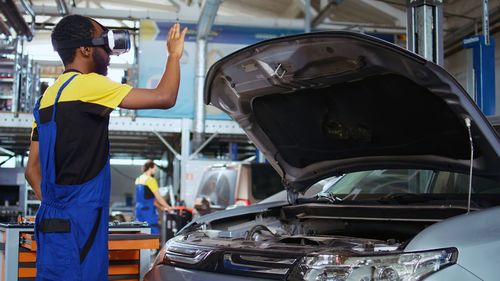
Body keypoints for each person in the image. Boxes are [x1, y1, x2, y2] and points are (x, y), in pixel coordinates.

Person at [24, 14, 187, 281]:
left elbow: (32, 170)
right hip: (82, 223)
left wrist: (59, 205)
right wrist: (174, 56)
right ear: (85, 49)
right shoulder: (91, 85)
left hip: (50, 220)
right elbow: (165, 96)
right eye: (104, 43)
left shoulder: (45, 99)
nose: (110, 53)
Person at [135, 160, 173, 234]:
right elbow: (158, 197)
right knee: (153, 232)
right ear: (150, 168)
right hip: (148, 212)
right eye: (154, 169)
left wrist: (161, 208)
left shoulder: (138, 179)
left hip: (138, 210)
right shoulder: (150, 180)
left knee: (141, 233)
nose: (155, 171)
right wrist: (168, 207)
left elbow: (149, 198)